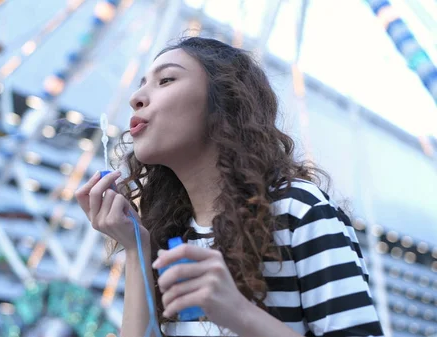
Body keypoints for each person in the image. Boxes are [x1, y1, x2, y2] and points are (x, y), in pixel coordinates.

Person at [75, 37, 384, 337]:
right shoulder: (172, 235)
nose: (136, 97)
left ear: (223, 104)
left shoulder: (298, 209)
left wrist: (238, 313)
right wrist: (136, 249)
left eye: (166, 80)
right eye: (141, 83)